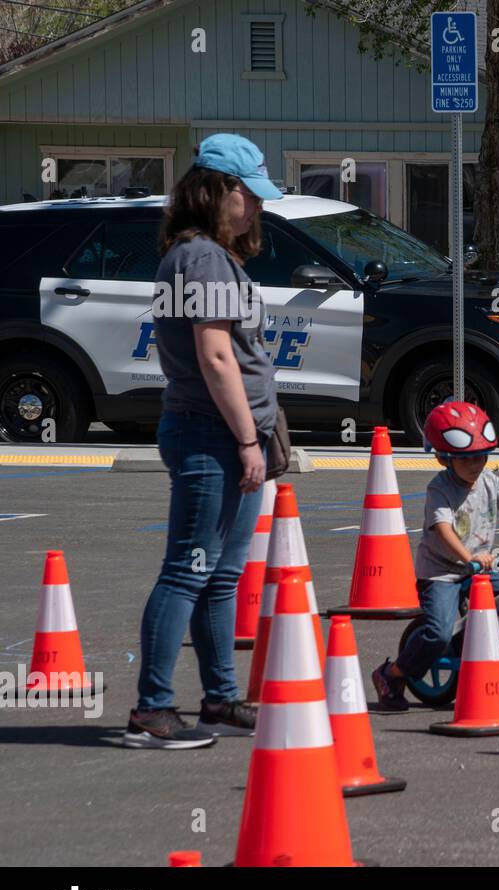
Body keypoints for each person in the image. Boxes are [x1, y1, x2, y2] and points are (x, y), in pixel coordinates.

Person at [125, 134, 283, 749]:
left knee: (219, 576)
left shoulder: (201, 256)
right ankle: (152, 710)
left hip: (216, 432)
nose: (257, 208)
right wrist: (248, 439)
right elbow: (216, 357)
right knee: (187, 572)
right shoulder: (204, 260)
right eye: (249, 196)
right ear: (218, 192)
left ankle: (218, 698)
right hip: (211, 434)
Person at [371, 402, 499, 711]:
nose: (476, 464)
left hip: (478, 567)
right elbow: (443, 529)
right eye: (467, 458)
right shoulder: (439, 489)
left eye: (482, 456)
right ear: (444, 458)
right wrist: (468, 555)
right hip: (442, 571)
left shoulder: (490, 482)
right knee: (439, 633)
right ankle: (392, 674)